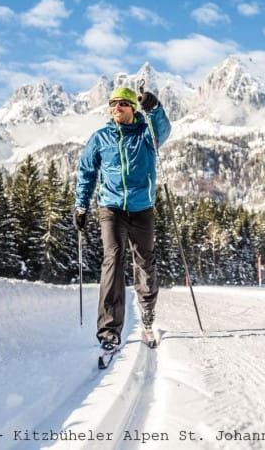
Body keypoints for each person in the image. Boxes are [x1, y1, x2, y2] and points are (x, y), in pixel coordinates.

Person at [73, 86, 171, 351]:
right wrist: (81, 206)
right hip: (111, 208)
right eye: (113, 104)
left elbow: (164, 130)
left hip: (142, 208)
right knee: (112, 259)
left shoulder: (146, 134)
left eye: (122, 104)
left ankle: (147, 315)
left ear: (132, 108)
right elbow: (86, 172)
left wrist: (154, 107)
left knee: (145, 262)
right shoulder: (101, 138)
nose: (116, 108)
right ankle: (108, 331)